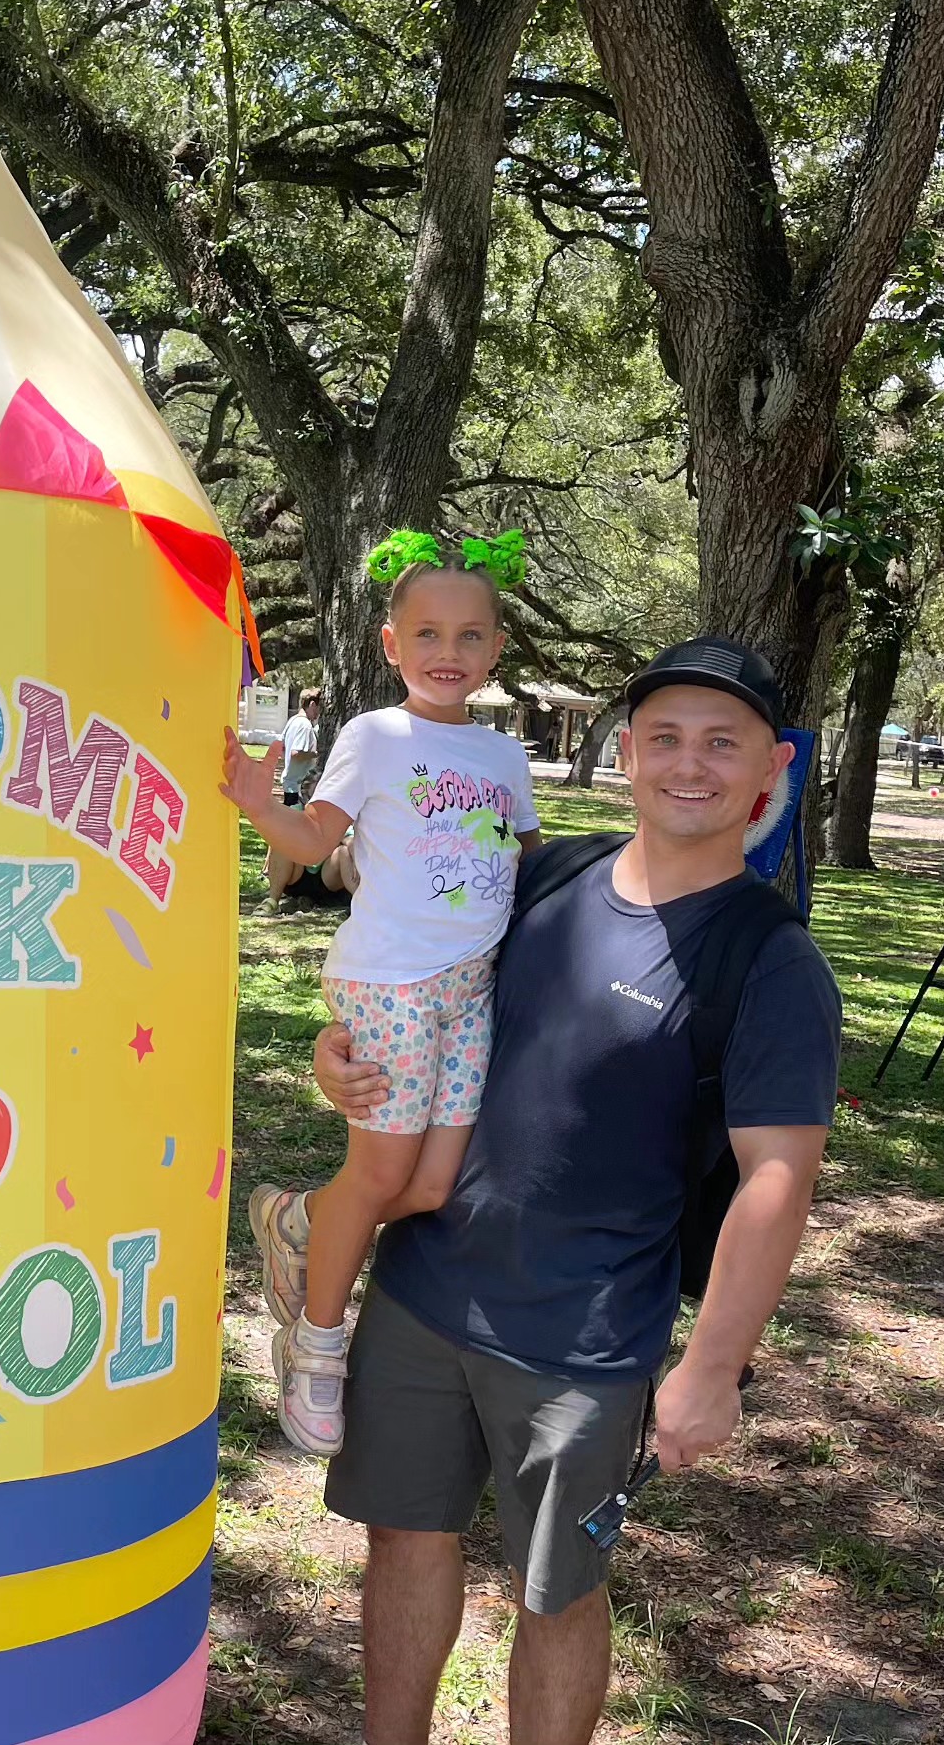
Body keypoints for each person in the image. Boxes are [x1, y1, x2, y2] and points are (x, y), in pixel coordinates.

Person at [290, 636, 841, 1745]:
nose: (690, 764)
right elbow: (422, 988)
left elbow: (778, 1179)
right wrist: (331, 1050)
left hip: (583, 1338)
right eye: (666, 737)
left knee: (555, 1595)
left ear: (770, 771)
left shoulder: (771, 961)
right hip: (425, 1285)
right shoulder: (546, 872)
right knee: (401, 1538)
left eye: (721, 743)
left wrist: (713, 1368)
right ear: (627, 752)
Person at [221, 528, 540, 1454]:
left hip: (468, 989)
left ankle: (300, 1220)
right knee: (382, 1173)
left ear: (496, 649)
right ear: (391, 645)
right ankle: (316, 1346)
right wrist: (254, 800)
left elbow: (522, 860)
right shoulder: (374, 735)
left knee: (433, 1186)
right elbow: (317, 842)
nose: (450, 653)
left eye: (471, 636)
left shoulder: (505, 759)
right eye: (428, 635)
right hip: (390, 981)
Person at [279, 688, 322, 804]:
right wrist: (315, 754)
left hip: (289, 784)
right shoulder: (305, 725)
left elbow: (281, 747)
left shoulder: (292, 721)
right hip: (297, 787)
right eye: (318, 708)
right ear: (312, 704)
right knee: (294, 820)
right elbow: (296, 753)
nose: (318, 714)